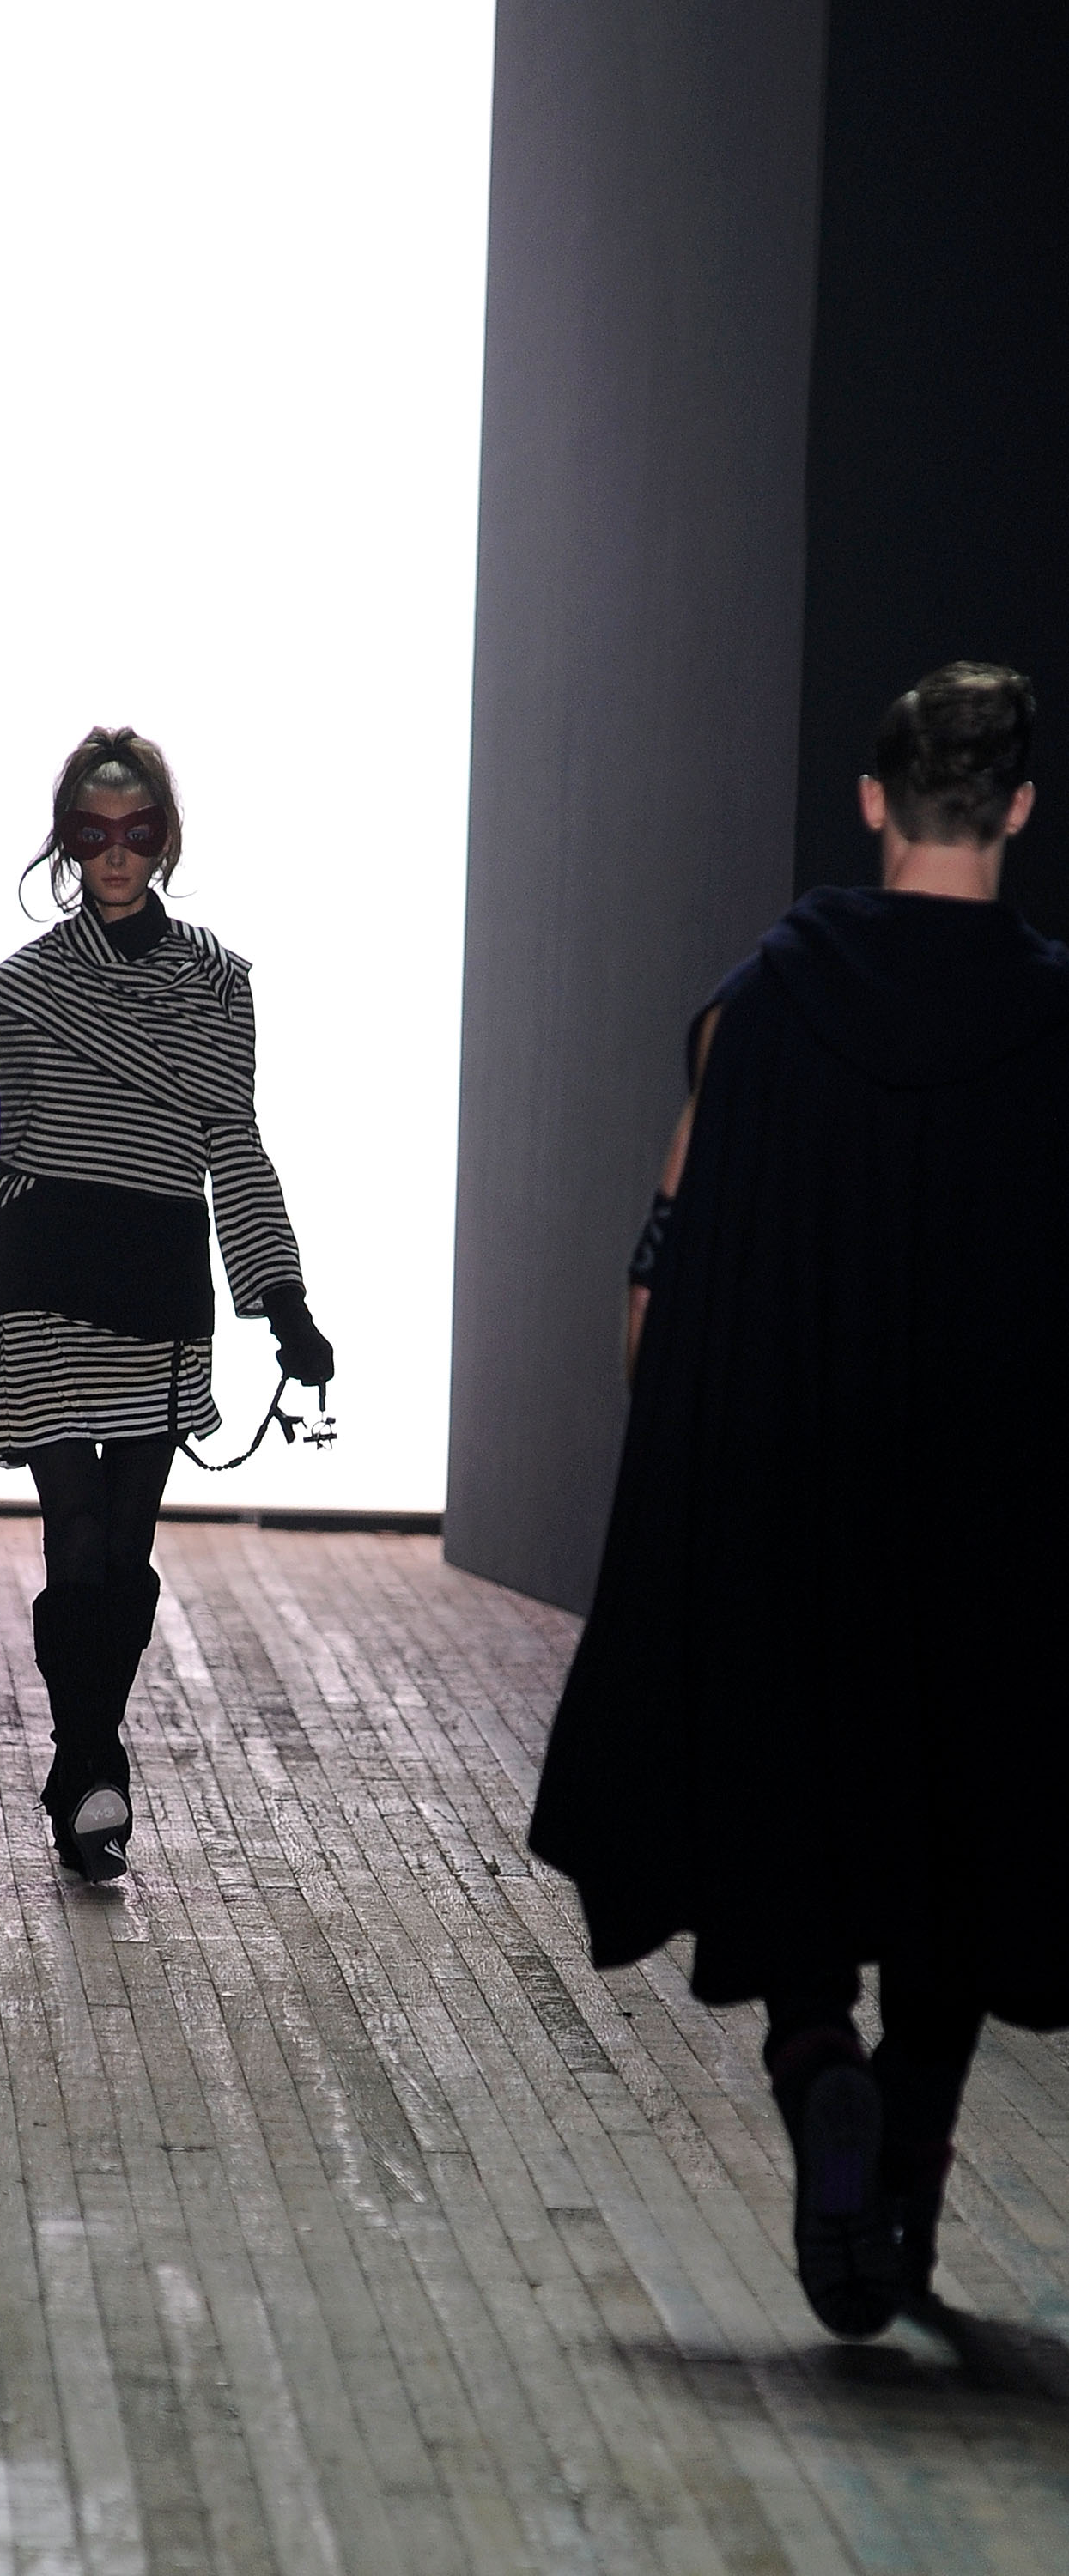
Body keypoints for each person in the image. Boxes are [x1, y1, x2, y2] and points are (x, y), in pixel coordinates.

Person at [527, 663, 1069, 2338]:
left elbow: (664, 1266)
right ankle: (906, 2167)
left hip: (802, 1501)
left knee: (804, 1819)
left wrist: (681, 1451)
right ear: (1020, 809)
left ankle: (816, 2057)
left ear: (871, 800)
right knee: (961, 1844)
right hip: (994, 1519)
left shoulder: (762, 1004)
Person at [0, 726, 333, 1883]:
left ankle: (81, 1757)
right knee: (76, 1533)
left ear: (164, 838)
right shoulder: (23, 992)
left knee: (124, 1547)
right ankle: (94, 1770)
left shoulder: (220, 986)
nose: (115, 851)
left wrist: (281, 1297)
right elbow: (15, 1164)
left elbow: (235, 1140)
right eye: (93, 831)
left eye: (136, 830)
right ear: (67, 840)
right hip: (47, 1285)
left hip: (157, 1285)